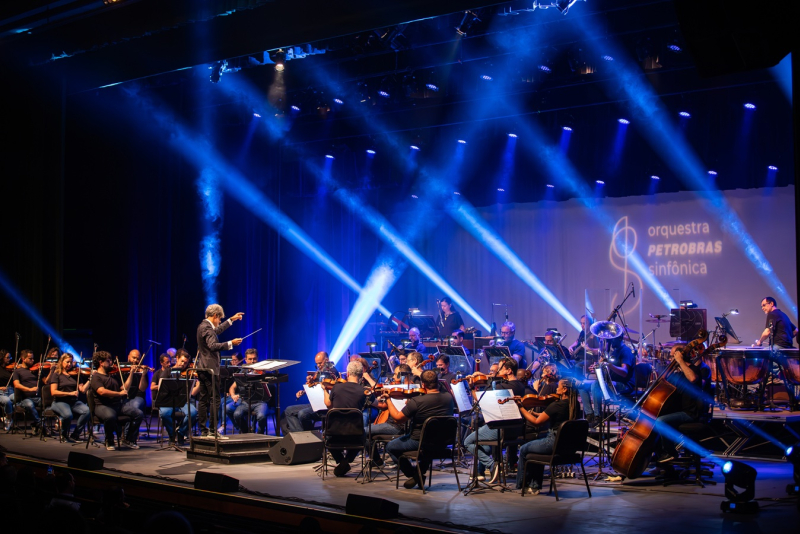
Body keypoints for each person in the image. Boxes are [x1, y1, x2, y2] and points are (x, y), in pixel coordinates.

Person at [383, 369, 455, 489]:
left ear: (422, 384)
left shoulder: (417, 401)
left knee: (390, 446)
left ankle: (414, 475)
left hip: (419, 442)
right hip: (443, 442)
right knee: (430, 439)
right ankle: (420, 472)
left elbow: (397, 419)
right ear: (438, 382)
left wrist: (388, 400)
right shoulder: (449, 398)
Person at [463, 357, 527, 483]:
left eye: (500, 369)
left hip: (501, 428)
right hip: (516, 429)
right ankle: (480, 472)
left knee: (468, 442)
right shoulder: (520, 385)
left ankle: (492, 465)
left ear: (508, 371)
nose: (497, 372)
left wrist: (471, 387)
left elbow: (479, 400)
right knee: (484, 446)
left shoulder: (501, 387)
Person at [515, 378, 581, 494]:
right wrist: (536, 413)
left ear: (564, 389)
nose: (556, 388)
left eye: (559, 386)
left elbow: (536, 423)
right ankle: (533, 486)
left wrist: (521, 408)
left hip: (553, 443)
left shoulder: (556, 405)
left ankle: (522, 485)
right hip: (568, 447)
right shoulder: (574, 404)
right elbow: (551, 415)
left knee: (524, 449)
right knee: (535, 450)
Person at [655, 345, 712, 463]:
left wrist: (680, 361)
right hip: (678, 410)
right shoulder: (677, 374)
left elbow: (692, 378)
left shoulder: (694, 370)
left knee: (661, 421)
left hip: (690, 412)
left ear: (680, 356)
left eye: (673, 356)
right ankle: (663, 464)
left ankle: (670, 452)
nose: (671, 359)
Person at [195, 303, 243, 438]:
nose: (220, 321)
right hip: (209, 369)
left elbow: (217, 330)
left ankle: (205, 431)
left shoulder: (204, 326)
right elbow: (212, 345)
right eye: (220, 319)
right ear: (215, 315)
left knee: (204, 399)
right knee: (215, 400)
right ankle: (211, 431)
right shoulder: (206, 328)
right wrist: (230, 343)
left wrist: (231, 320)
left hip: (203, 368)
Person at [90, 351, 144, 450]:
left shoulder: (113, 375)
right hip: (102, 405)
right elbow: (102, 391)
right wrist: (119, 394)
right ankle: (109, 440)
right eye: (108, 360)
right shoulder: (96, 377)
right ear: (101, 362)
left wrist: (131, 373)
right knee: (110, 416)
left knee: (138, 414)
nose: (111, 362)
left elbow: (124, 388)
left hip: (117, 405)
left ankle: (129, 439)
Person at [323, 360, 368, 477]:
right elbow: (378, 404)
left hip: (335, 434)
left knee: (326, 437)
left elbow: (328, 404)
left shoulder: (336, 388)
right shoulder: (363, 391)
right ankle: (347, 460)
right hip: (355, 434)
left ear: (347, 373)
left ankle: (342, 462)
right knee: (364, 438)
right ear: (361, 375)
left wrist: (324, 390)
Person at [579, 335, 636, 426]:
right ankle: (590, 415)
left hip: (624, 385)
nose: (609, 342)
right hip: (611, 382)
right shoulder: (614, 352)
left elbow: (624, 372)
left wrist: (610, 365)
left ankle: (598, 417)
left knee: (596, 385)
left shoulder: (625, 351)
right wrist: (597, 368)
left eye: (612, 340)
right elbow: (608, 371)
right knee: (582, 385)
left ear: (620, 338)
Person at [282, 351, 340, 434]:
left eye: (320, 363)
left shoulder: (334, 373)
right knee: (288, 410)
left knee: (303, 414)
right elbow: (314, 388)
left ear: (326, 360)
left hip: (326, 406)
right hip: (315, 404)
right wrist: (303, 391)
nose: (318, 366)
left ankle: (308, 438)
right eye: (317, 364)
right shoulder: (318, 373)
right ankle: (301, 437)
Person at [152, 351, 198, 446]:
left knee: (193, 412)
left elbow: (192, 393)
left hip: (183, 401)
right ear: (177, 358)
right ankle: (172, 435)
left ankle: (180, 433)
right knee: (164, 414)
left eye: (185, 363)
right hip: (168, 401)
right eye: (181, 361)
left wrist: (198, 382)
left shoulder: (189, 373)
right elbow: (160, 386)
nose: (183, 364)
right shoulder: (168, 371)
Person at [48, 353, 90, 443]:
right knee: (68, 415)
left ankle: (75, 435)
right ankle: (63, 435)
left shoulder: (75, 374)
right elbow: (53, 392)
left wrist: (90, 379)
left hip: (73, 402)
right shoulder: (57, 374)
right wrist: (69, 393)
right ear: (61, 362)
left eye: (71, 362)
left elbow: (82, 390)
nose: (69, 364)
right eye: (67, 362)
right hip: (59, 402)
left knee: (87, 411)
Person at [229, 348, 273, 434]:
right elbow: (232, 387)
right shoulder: (243, 371)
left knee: (261, 416)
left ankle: (260, 435)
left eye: (254, 359)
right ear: (245, 360)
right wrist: (233, 395)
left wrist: (264, 375)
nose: (253, 361)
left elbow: (271, 386)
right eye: (250, 359)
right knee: (237, 415)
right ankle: (247, 433)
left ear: (257, 359)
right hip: (246, 401)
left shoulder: (263, 370)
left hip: (260, 401)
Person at [11, 349, 41, 432]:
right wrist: (29, 389)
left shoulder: (35, 370)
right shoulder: (17, 371)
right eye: (30, 359)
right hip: (24, 398)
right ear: (23, 359)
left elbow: (46, 381)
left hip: (36, 397)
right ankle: (40, 425)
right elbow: (16, 384)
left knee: (49, 404)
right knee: (30, 405)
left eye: (33, 358)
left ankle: (36, 424)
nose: (33, 360)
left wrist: (52, 370)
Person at [0, 350, 16, 430]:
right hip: (1, 392)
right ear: (2, 358)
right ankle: (9, 419)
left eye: (10, 357)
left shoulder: (10, 368)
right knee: (7, 401)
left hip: (10, 391)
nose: (9, 359)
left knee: (18, 399)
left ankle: (6, 417)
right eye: (7, 357)